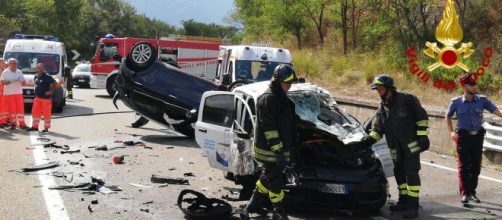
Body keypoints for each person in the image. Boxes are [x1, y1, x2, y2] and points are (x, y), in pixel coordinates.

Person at [360, 75, 429, 218]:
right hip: (394, 148)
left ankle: (413, 206)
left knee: (411, 174)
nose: (378, 91)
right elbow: (378, 130)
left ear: (389, 87)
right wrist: (366, 141)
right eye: (376, 89)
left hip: (411, 145)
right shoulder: (382, 108)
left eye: (380, 88)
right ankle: (403, 201)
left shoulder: (407, 99)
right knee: (399, 173)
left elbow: (422, 117)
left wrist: (422, 136)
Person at [245, 64, 298, 220]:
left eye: (290, 83)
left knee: (266, 177)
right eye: (286, 83)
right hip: (269, 152)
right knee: (275, 181)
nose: (289, 86)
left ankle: (253, 204)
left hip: (277, 150)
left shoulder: (280, 98)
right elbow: (270, 130)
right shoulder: (267, 99)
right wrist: (279, 152)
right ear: (277, 81)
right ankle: (279, 212)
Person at [445, 73, 502, 203]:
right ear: (464, 86)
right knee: (464, 166)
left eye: (475, 84)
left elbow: (497, 111)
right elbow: (447, 116)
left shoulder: (482, 100)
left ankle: (472, 192)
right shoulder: (456, 102)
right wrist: (451, 132)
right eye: (471, 84)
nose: (474, 86)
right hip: (463, 137)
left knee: (476, 166)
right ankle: (465, 193)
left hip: (477, 137)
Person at [27, 64, 57, 132]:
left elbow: (55, 83)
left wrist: (50, 91)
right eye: (38, 68)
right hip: (37, 98)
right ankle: (34, 127)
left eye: (41, 68)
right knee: (35, 113)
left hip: (46, 99)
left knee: (46, 114)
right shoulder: (36, 76)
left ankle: (46, 128)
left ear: (44, 69)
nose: (39, 70)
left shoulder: (47, 76)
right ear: (36, 69)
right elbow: (36, 84)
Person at [0, 58, 27, 130]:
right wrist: (8, 82)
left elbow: (23, 83)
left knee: (20, 109)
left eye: (15, 63)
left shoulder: (19, 72)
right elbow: (2, 82)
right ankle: (13, 124)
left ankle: (22, 124)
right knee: (12, 110)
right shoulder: (5, 72)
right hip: (9, 94)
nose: (14, 65)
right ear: (9, 64)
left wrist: (22, 82)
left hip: (18, 93)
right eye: (12, 63)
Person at [0, 58, 8, 127]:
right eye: (1, 62)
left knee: (3, 108)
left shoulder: (5, 71)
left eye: (3, 62)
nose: (3, 64)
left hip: (4, 92)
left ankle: (3, 121)